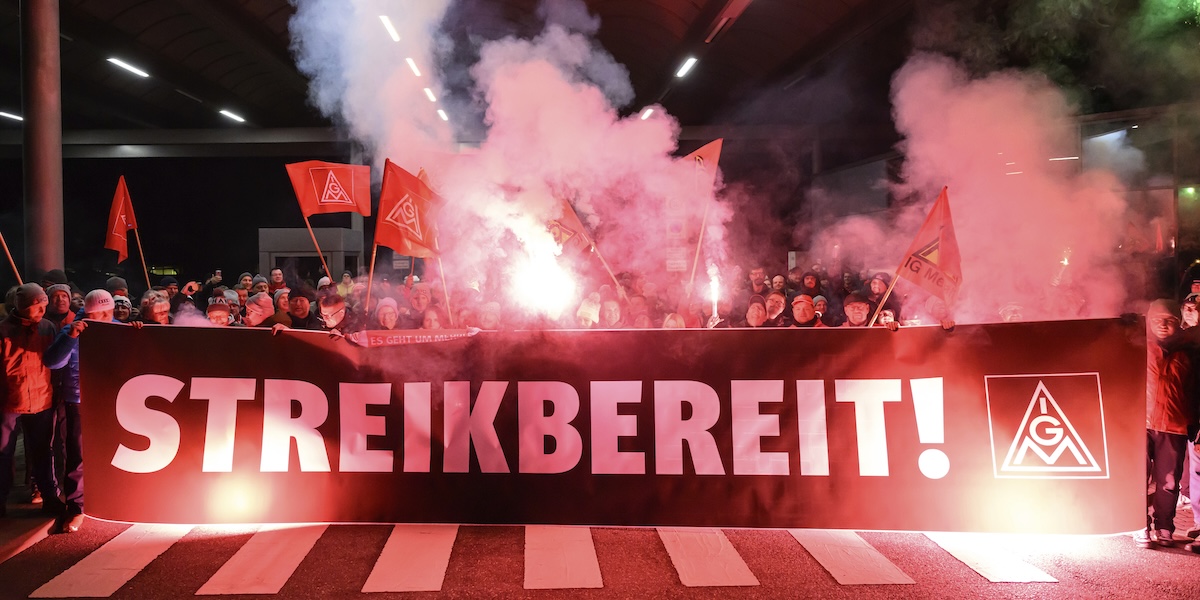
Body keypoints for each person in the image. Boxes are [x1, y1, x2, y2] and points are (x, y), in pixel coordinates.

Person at [0, 283, 77, 519]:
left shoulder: (47, 327)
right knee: (3, 453)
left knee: (44, 452)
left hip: (42, 398)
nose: (42, 310)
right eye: (37, 306)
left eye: (44, 305)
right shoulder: (3, 330)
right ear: (22, 306)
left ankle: (50, 497)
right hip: (8, 400)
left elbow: (54, 360)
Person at [1136, 300, 1195, 548]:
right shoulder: (1137, 347)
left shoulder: (1190, 351)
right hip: (1139, 422)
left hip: (1174, 425)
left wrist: (1193, 420)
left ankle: (1164, 527)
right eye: (1157, 319)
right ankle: (1139, 525)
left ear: (1177, 324)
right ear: (1148, 322)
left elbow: (1194, 390)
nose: (1162, 323)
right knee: (1137, 476)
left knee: (1169, 481)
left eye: (1169, 320)